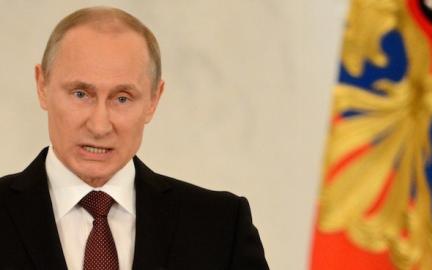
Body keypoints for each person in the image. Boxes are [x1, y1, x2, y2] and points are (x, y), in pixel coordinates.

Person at [0, 6, 269, 270]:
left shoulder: (220, 227)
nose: (99, 125)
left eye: (122, 98)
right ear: (42, 86)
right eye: (81, 94)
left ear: (154, 99)